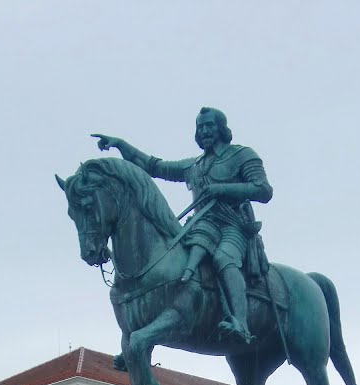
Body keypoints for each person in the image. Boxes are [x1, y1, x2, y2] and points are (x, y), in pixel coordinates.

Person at [93, 107, 273, 343]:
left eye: (209, 125)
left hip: (233, 227)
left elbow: (263, 190)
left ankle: (240, 322)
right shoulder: (194, 166)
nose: (205, 130)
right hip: (201, 227)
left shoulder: (242, 155)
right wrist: (121, 144)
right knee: (170, 261)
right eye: (200, 127)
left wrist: (223, 189)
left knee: (223, 259)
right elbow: (153, 166)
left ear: (221, 128)